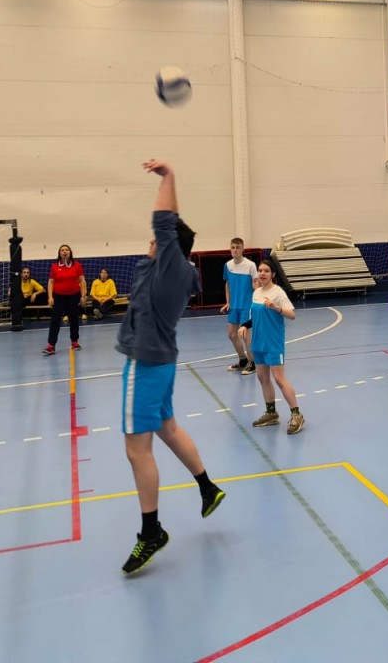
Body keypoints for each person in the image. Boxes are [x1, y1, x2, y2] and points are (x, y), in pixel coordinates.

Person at [116, 159, 225, 575]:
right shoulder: (178, 271)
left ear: (169, 247)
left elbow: (164, 221)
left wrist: (169, 176)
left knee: (136, 450)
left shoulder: (170, 267)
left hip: (145, 364)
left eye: (157, 240)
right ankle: (207, 487)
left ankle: (151, 532)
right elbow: (168, 234)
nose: (151, 241)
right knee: (169, 429)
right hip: (162, 362)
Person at [248, 259, 304, 435]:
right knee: (262, 378)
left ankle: (297, 415)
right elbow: (254, 316)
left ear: (272, 274)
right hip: (258, 342)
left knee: (279, 378)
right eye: (260, 270)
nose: (262, 273)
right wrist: (244, 326)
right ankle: (271, 413)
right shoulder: (256, 293)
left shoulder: (278, 292)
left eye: (266, 271)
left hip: (273, 343)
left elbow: (292, 315)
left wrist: (276, 307)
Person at [220, 237, 257, 374]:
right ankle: (243, 360)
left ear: (243, 249)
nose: (235, 250)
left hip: (247, 306)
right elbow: (227, 284)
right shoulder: (228, 265)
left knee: (246, 337)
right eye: (233, 247)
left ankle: (253, 363)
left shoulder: (251, 265)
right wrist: (228, 302)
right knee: (231, 334)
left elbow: (256, 284)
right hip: (234, 306)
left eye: (238, 247)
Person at [44, 244, 87, 355]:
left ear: (70, 252)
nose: (64, 251)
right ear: (59, 253)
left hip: (73, 296)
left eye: (66, 250)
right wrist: (50, 297)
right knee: (55, 320)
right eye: (62, 250)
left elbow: (82, 280)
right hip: (58, 296)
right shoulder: (54, 266)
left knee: (74, 319)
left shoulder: (77, 265)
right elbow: (51, 282)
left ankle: (74, 341)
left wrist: (83, 295)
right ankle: (51, 345)